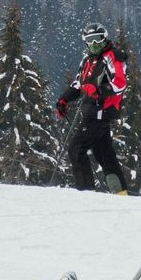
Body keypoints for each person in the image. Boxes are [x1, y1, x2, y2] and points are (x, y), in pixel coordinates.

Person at [55, 22, 130, 195]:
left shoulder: (112, 56)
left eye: (97, 39)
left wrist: (99, 91)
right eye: (90, 40)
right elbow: (78, 84)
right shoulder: (87, 60)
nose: (94, 44)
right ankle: (120, 193)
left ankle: (86, 192)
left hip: (100, 112)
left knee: (76, 148)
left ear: (104, 38)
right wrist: (63, 100)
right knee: (104, 154)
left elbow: (120, 83)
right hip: (91, 112)